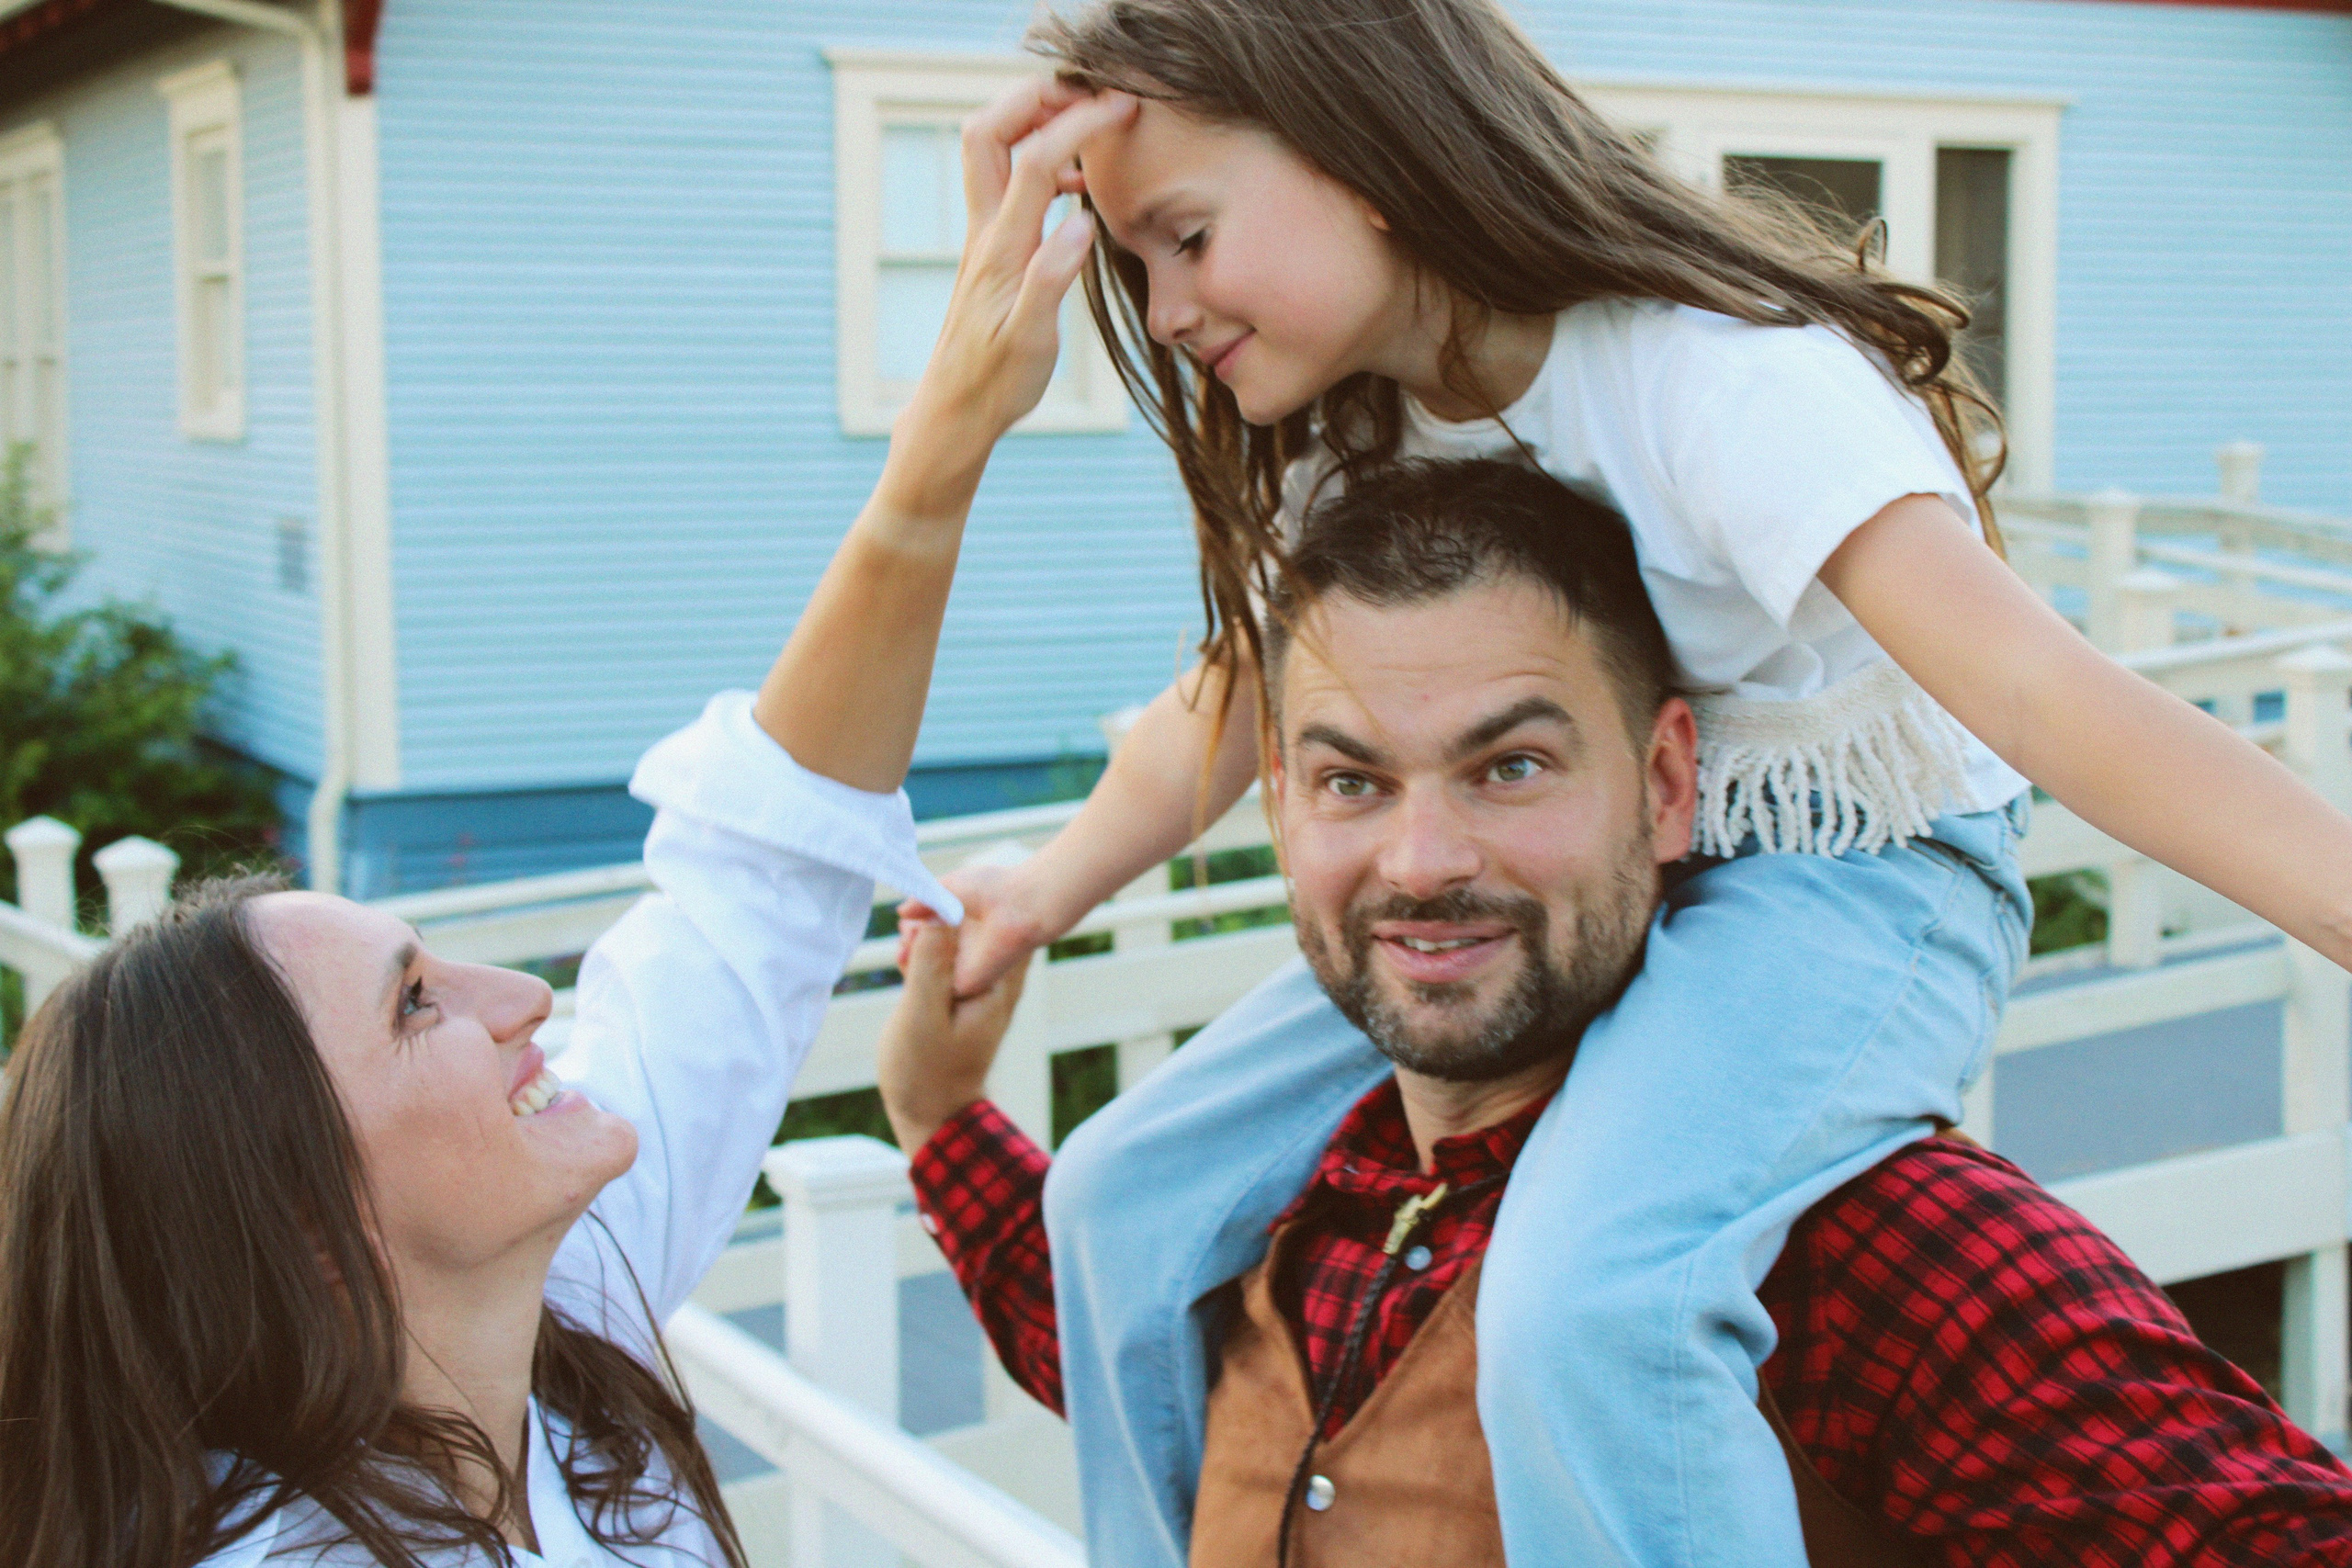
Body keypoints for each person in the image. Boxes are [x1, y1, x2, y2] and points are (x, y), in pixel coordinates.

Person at [898, 6, 2352, 1564]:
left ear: (1362, 157)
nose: (1168, 305)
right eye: (1137, 264)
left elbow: (2047, 692)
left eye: (1185, 236)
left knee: (1597, 1301)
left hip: (1857, 874)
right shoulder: (1367, 421)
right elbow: (1242, 691)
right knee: (1116, 1198)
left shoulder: (1721, 383)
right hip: (1585, 857)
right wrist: (1048, 890)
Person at [0, 84, 1131, 1568]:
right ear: (305, 1234)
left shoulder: (534, 1329)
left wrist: (957, 419)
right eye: (417, 1007)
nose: (525, 998)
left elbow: (757, 880)